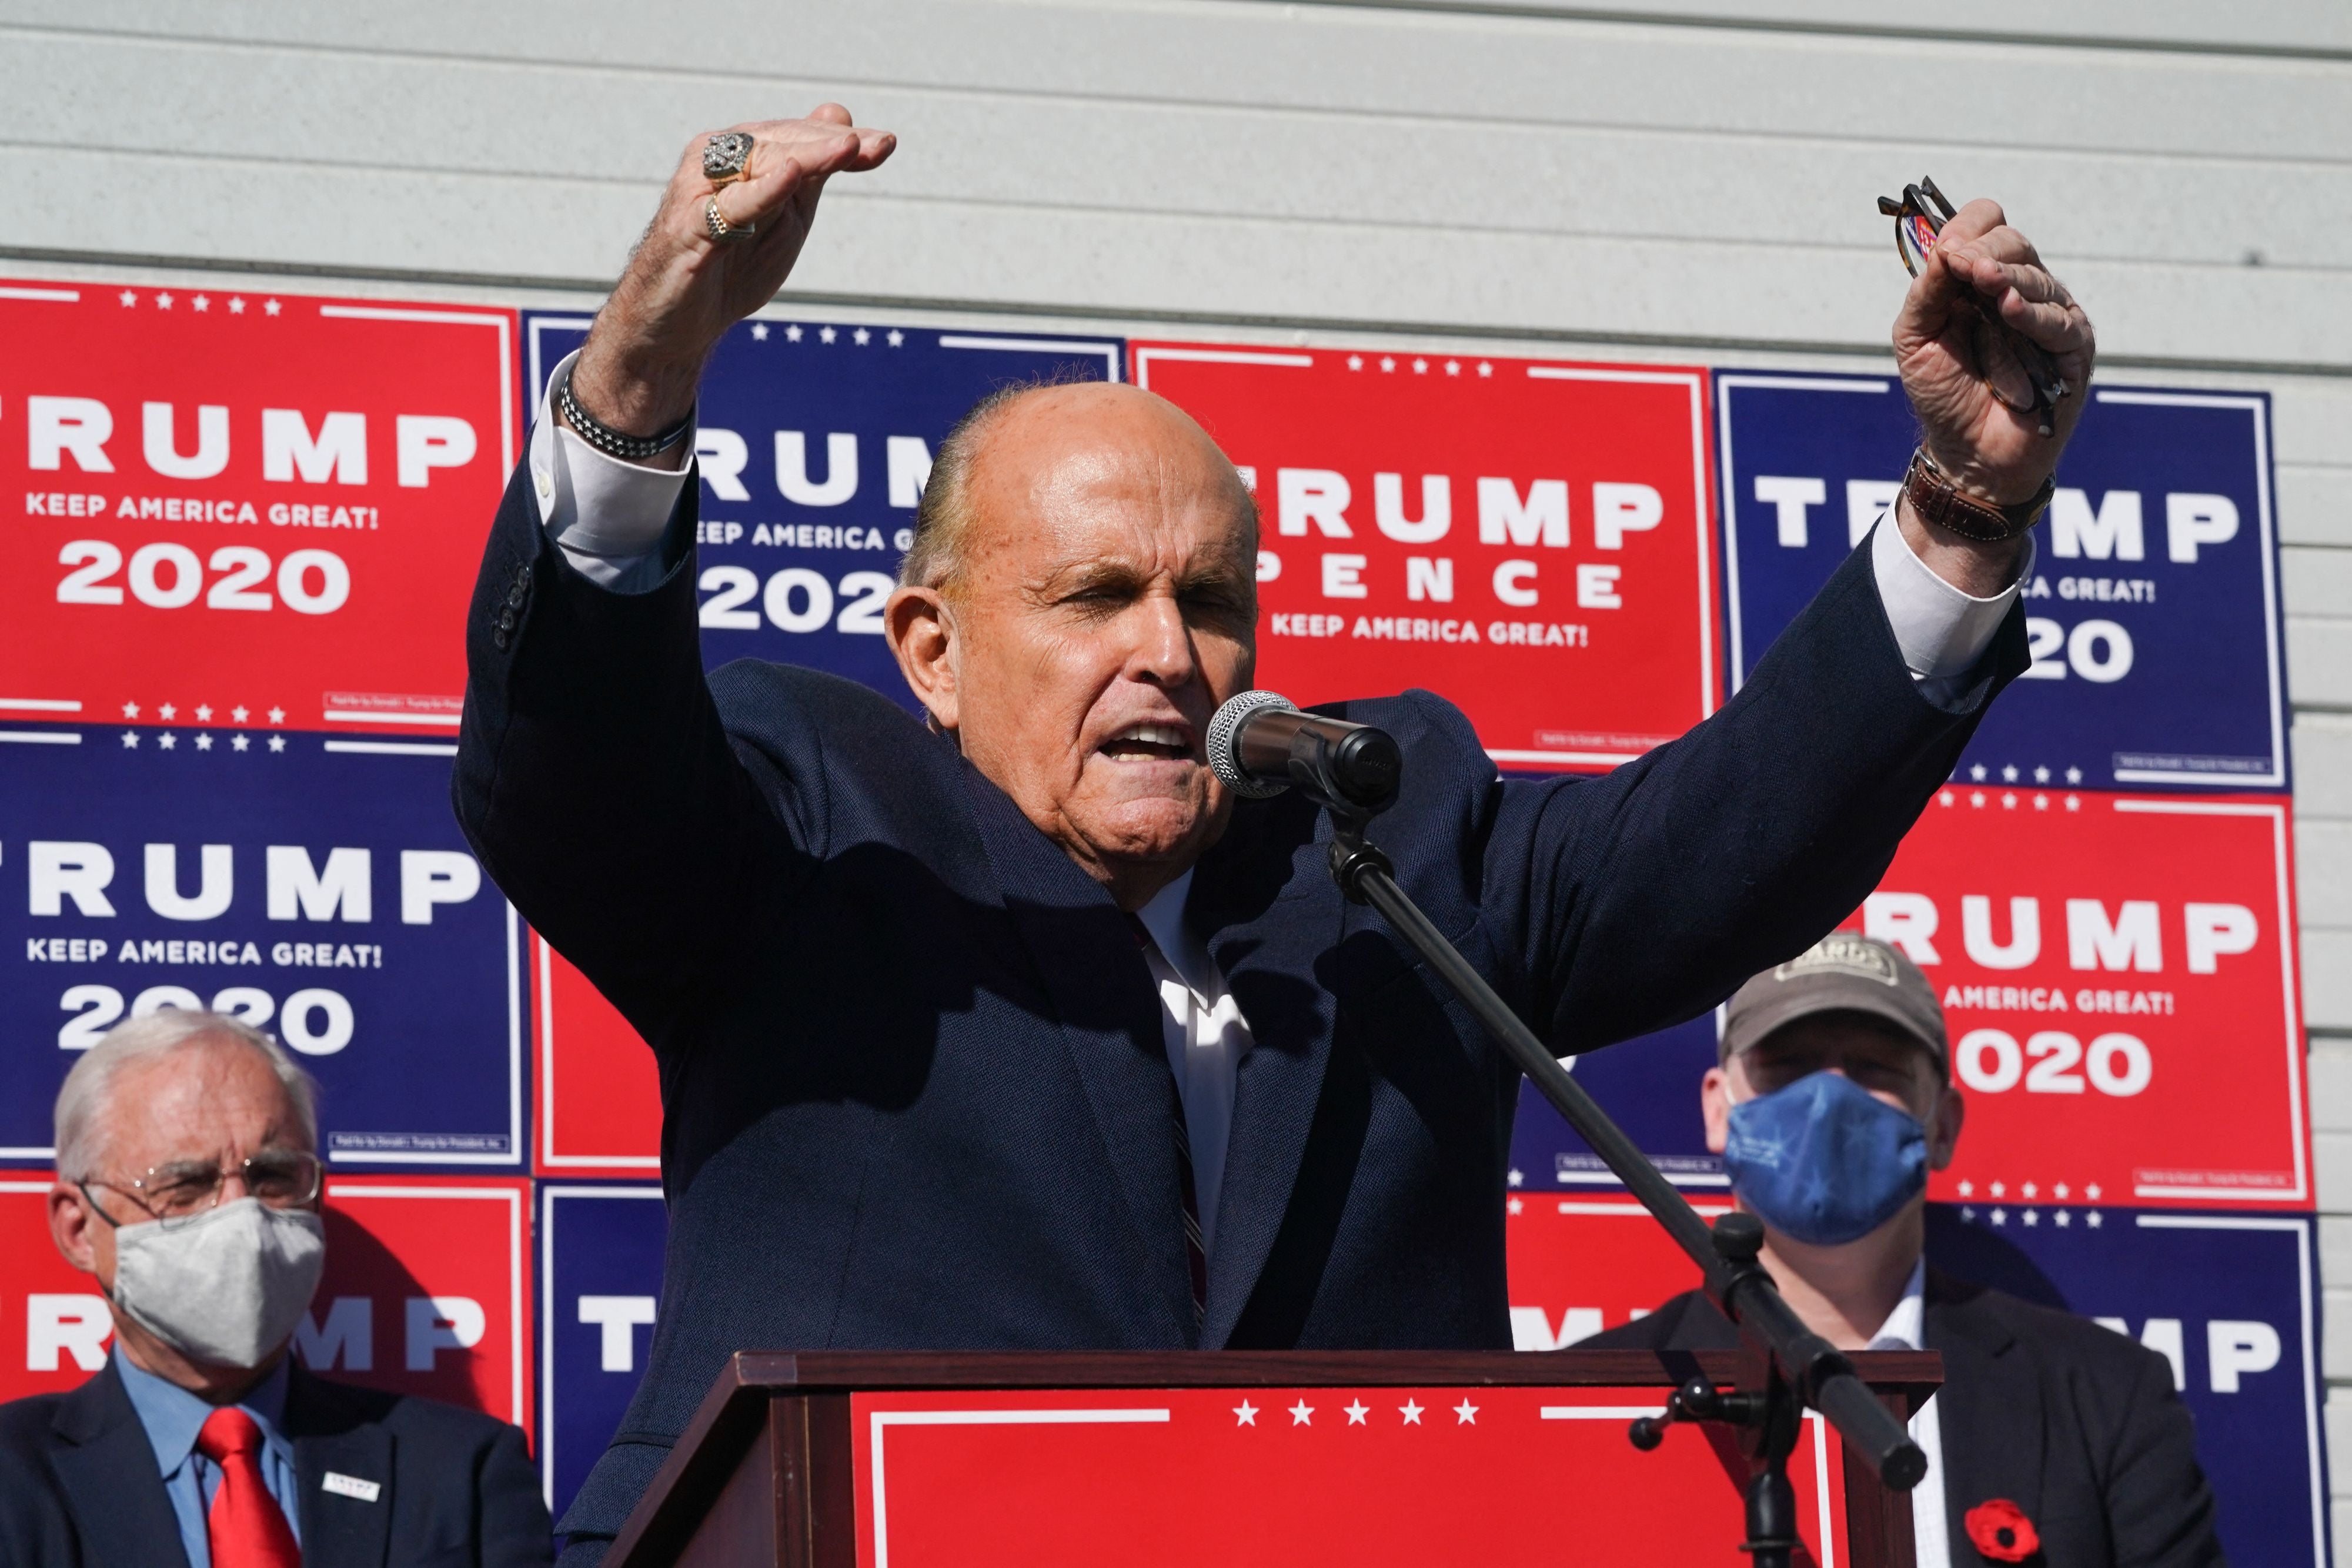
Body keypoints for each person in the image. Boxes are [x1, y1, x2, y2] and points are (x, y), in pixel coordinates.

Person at [452, 105, 2093, 1556]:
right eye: (1095, 597)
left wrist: (1965, 511)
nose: (1168, 651)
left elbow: (1720, 842)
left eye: (1211, 600)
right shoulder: (808, 827)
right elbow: (573, 762)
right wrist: (637, 384)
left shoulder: (1387, 844)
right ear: (932, 651)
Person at [1582, 936, 2224, 1567]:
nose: (1829, 1100)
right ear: (1719, 1109)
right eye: (1791, 1065)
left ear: (1941, 1126)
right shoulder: (1587, 1398)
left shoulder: (2106, 1395)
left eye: (1873, 1068)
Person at [0, 1011, 553, 1568]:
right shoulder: (13, 1480)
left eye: (273, 1176)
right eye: (186, 1184)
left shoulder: (464, 1474)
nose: (242, 1215)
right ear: (79, 1230)